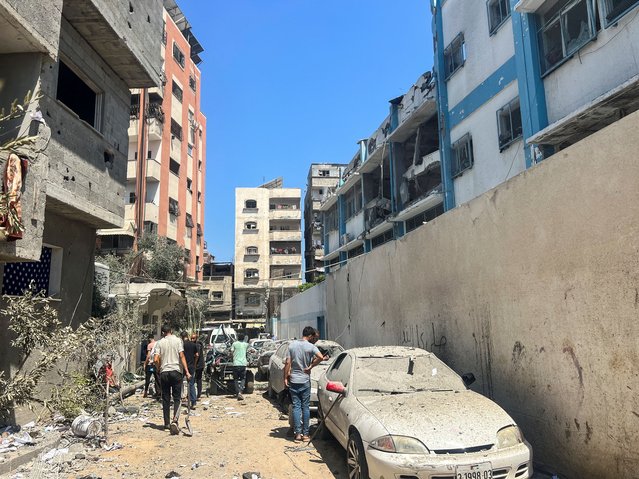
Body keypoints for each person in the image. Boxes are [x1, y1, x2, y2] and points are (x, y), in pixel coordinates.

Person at [284, 326, 324, 442]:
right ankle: (306, 435)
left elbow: (287, 363)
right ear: (310, 336)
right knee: (305, 407)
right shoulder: (311, 347)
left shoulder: (292, 345)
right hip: (305, 380)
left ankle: (297, 434)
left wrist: (286, 377)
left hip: (294, 380)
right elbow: (321, 357)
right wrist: (311, 366)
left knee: (296, 407)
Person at [154, 324, 191, 432]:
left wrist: (159, 368)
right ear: (171, 330)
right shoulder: (178, 340)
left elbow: (156, 359)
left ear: (162, 333)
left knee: (165, 398)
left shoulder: (159, 343)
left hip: (164, 372)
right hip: (176, 371)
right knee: (177, 398)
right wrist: (187, 371)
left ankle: (166, 423)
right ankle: (175, 420)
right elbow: (182, 356)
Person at [181, 331, 199, 408]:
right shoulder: (193, 344)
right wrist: (194, 363)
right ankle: (193, 402)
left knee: (179, 383)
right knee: (191, 384)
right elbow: (197, 355)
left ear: (181, 337)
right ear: (187, 336)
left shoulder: (181, 345)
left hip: (182, 366)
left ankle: (179, 399)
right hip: (191, 366)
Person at [230, 333, 249, 400]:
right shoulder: (246, 344)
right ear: (243, 338)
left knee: (235, 379)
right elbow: (249, 351)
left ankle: (237, 392)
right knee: (243, 378)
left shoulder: (234, 344)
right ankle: (240, 392)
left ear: (237, 337)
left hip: (235, 364)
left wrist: (232, 357)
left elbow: (231, 352)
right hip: (243, 364)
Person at [143, 333, 160, 398]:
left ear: (149, 339)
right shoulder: (157, 344)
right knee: (157, 379)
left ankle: (145, 392)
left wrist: (145, 363)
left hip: (150, 364)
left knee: (147, 379)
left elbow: (148, 356)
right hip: (156, 364)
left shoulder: (149, 345)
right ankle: (158, 393)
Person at [191, 332, 205, 399]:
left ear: (196, 338)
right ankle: (194, 394)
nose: (192, 339)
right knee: (196, 380)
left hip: (198, 365)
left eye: (193, 338)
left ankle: (198, 394)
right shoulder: (198, 344)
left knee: (197, 380)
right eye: (191, 338)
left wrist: (194, 364)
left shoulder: (197, 345)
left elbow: (197, 355)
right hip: (199, 364)